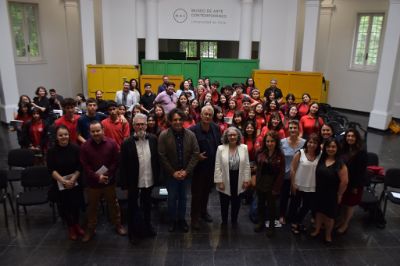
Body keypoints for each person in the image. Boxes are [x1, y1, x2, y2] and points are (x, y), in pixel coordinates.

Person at [80, 121, 127, 242]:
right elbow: (85, 166)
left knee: (113, 204)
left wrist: (106, 175)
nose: (95, 133)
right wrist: (97, 177)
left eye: (98, 131)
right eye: (93, 131)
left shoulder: (111, 143)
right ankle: (91, 229)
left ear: (103, 130)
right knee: (92, 207)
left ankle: (117, 224)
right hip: (92, 183)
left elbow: (116, 162)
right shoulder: (85, 146)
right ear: (90, 132)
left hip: (108, 182)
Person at [120, 113, 160, 244]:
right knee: (132, 207)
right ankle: (133, 232)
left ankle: (147, 227)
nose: (140, 127)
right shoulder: (126, 143)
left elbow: (156, 160)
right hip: (133, 181)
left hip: (149, 179)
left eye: (143, 124)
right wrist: (125, 186)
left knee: (147, 206)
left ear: (147, 125)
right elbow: (123, 165)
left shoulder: (154, 139)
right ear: (133, 126)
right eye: (137, 124)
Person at [158, 108, 200, 233]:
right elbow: (162, 155)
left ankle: (181, 220)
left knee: (183, 198)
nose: (177, 122)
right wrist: (173, 172)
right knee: (171, 198)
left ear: (184, 120)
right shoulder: (164, 135)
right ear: (170, 121)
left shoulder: (191, 135)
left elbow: (195, 153)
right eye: (175, 119)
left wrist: (186, 171)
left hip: (186, 174)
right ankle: (172, 220)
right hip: (171, 175)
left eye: (180, 119)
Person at [47, 125, 84, 240]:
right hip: (60, 183)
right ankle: (71, 227)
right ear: (56, 137)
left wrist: (73, 179)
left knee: (76, 205)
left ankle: (77, 224)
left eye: (66, 134)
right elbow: (51, 169)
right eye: (61, 135)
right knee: (65, 206)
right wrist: (63, 181)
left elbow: (80, 165)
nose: (64, 137)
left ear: (69, 135)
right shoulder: (51, 151)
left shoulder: (75, 148)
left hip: (75, 182)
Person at [189, 106, 221, 230]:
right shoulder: (192, 130)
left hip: (212, 167)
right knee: (196, 194)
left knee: (206, 192)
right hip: (198, 168)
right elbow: (188, 149)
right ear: (200, 115)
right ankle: (194, 218)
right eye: (205, 114)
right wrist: (197, 156)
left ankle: (203, 212)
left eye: (209, 115)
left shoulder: (216, 128)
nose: (207, 116)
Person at [312, 137, 348, 243]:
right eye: (328, 146)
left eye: (333, 147)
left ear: (337, 148)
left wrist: (339, 194)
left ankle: (328, 235)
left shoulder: (340, 164)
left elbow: (344, 182)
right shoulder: (322, 159)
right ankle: (317, 230)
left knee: (329, 217)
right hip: (319, 191)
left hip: (332, 194)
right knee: (318, 212)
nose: (330, 149)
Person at [214, 127, 251, 227]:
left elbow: (247, 165)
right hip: (225, 177)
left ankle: (234, 220)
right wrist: (219, 181)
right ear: (226, 136)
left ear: (238, 136)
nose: (232, 137)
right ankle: (224, 221)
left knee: (236, 201)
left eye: (234, 135)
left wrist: (246, 179)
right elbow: (217, 165)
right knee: (224, 201)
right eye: (230, 135)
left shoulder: (244, 148)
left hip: (238, 177)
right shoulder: (220, 148)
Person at [289, 133, 321, 234]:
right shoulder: (300, 153)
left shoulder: (320, 155)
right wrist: (293, 183)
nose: (312, 145)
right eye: (310, 142)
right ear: (307, 143)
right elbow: (293, 169)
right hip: (298, 184)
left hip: (312, 186)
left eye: (315, 143)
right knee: (295, 204)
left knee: (306, 206)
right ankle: (294, 223)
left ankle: (298, 221)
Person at [254, 131, 285, 236]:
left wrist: (276, 188)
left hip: (272, 184)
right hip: (261, 183)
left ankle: (271, 226)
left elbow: (281, 173)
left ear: (276, 142)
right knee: (260, 204)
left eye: (272, 141)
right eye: (267, 141)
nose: (269, 143)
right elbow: (257, 168)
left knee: (272, 207)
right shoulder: (260, 152)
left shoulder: (280, 155)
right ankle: (261, 222)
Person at [336, 128, 367, 234]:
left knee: (349, 205)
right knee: (343, 203)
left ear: (356, 138)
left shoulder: (361, 152)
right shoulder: (344, 149)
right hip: (344, 182)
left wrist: (354, 187)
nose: (350, 138)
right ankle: (341, 220)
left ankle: (346, 223)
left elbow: (361, 172)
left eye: (352, 136)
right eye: (348, 136)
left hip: (354, 184)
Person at [279, 119, 305, 225]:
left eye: (295, 128)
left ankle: (291, 215)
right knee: (284, 196)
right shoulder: (282, 142)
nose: (293, 129)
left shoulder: (304, 142)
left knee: (296, 197)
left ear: (299, 129)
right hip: (285, 175)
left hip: (299, 175)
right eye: (291, 128)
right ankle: (282, 215)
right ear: (288, 130)